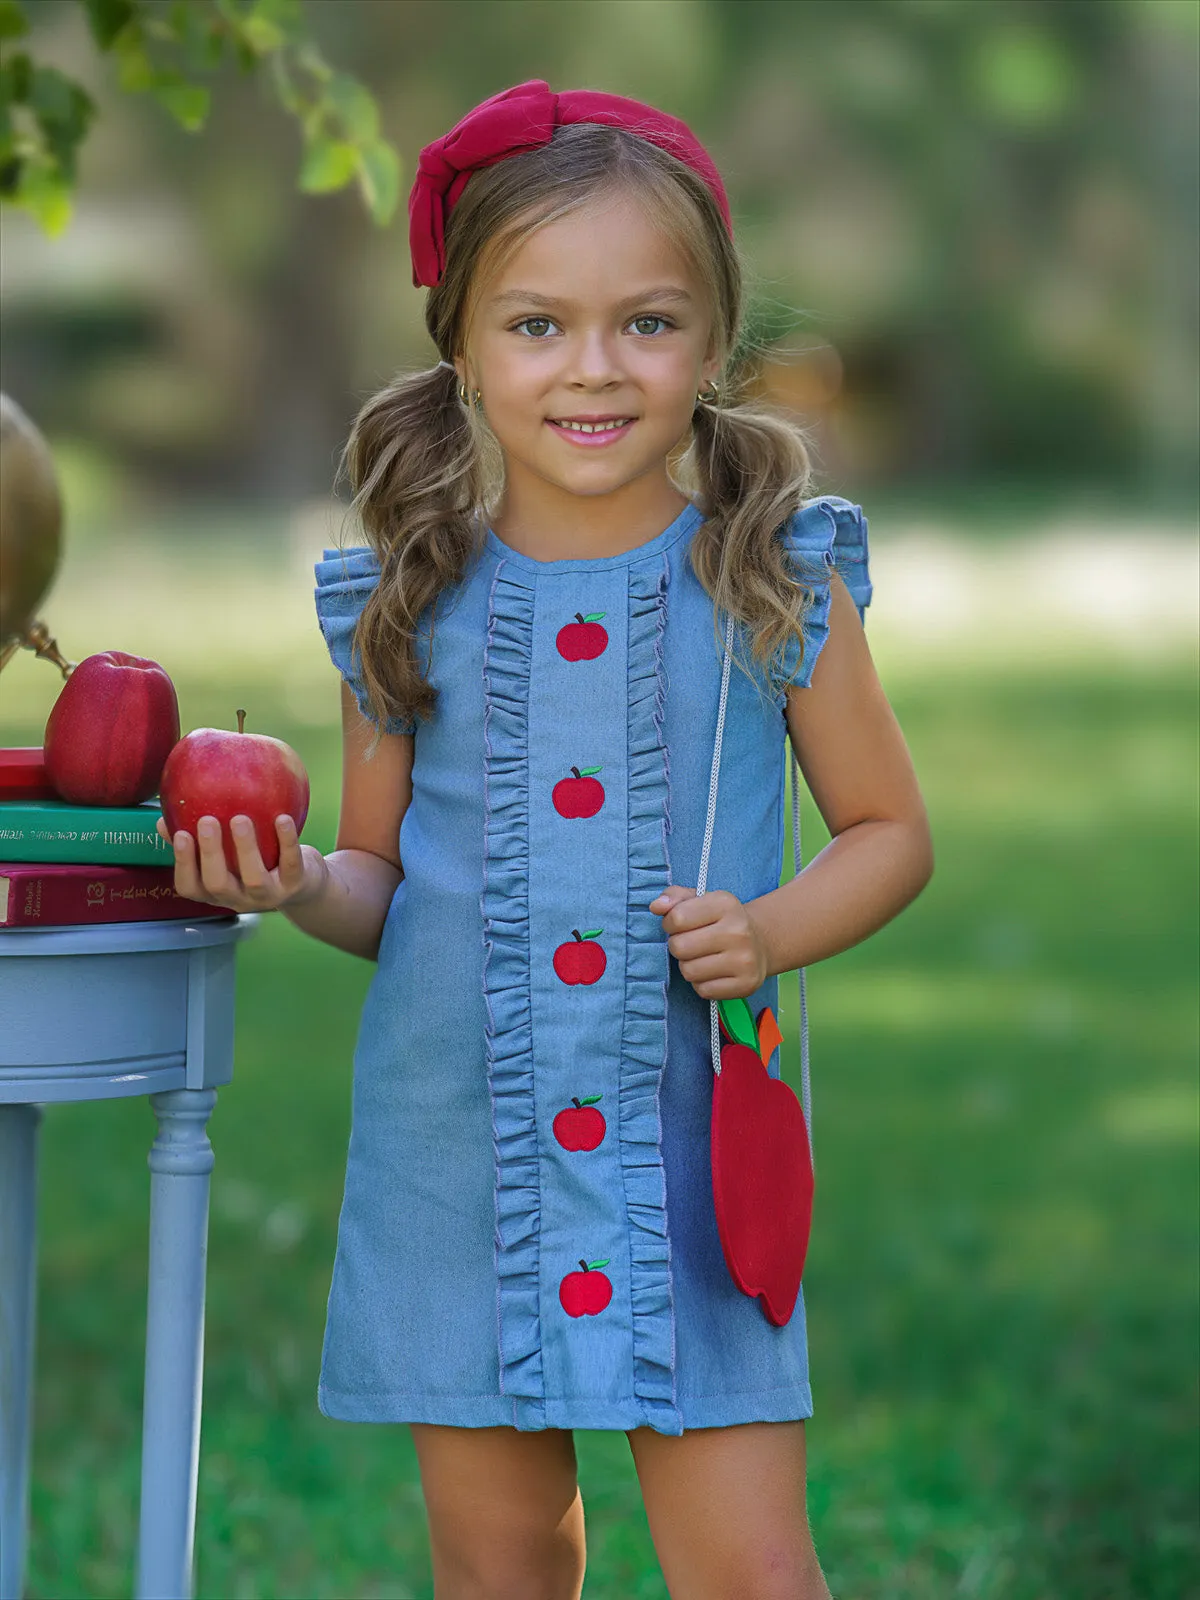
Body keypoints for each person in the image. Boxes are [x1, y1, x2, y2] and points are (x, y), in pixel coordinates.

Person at [159, 80, 933, 1600]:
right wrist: (307, 879)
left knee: (751, 1568)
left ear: (713, 343)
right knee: (501, 1560)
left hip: (691, 1147)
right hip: (461, 1150)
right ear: (461, 345)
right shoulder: (404, 598)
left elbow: (890, 832)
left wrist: (771, 931)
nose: (593, 369)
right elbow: (383, 883)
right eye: (536, 326)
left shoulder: (773, 583)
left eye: (646, 323)